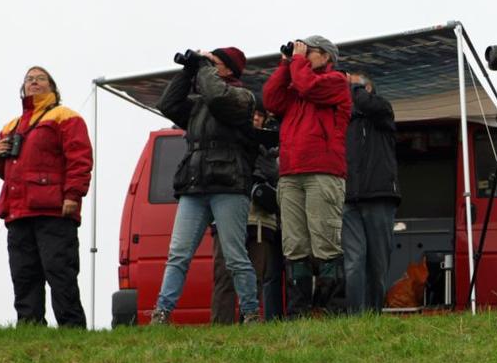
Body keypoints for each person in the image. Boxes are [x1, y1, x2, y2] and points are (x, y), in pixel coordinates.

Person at [148, 47, 259, 325]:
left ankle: (250, 312)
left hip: (229, 185)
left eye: (215, 64)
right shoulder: (199, 106)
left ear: (230, 70)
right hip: (194, 186)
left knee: (235, 257)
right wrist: (188, 70)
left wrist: (204, 67)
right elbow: (168, 104)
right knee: (178, 254)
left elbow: (217, 96)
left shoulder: (241, 98)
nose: (206, 69)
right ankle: (162, 312)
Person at [0, 66, 93, 328]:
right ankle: (29, 327)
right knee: (24, 275)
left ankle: (72, 328)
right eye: (29, 79)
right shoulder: (11, 126)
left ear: (53, 88)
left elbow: (80, 160)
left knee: (60, 271)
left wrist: (73, 195)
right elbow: (4, 170)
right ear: (23, 88)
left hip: (54, 210)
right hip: (18, 212)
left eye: (40, 79)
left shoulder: (66, 117)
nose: (34, 83)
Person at [262, 36, 352, 317]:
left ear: (326, 57)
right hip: (290, 173)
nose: (302, 55)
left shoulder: (335, 82)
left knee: (325, 242)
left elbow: (308, 86)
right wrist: (285, 64)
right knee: (294, 245)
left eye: (309, 52)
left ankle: (330, 310)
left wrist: (296, 63)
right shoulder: (296, 85)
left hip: (323, 172)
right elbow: (270, 98)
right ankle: (298, 312)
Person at [211, 104, 284, 322]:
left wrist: (262, 156)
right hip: (226, 215)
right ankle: (221, 327)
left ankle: (249, 325)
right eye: (252, 115)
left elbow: (276, 175)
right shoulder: (226, 138)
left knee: (256, 277)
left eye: (259, 115)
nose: (255, 119)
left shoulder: (271, 148)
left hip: (260, 220)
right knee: (224, 274)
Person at [342, 72, 400, 314]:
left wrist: (354, 85)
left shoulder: (382, 111)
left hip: (379, 196)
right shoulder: (343, 121)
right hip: (349, 198)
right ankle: (355, 317)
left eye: (357, 86)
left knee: (377, 264)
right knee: (354, 262)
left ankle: (373, 314)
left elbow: (367, 103)